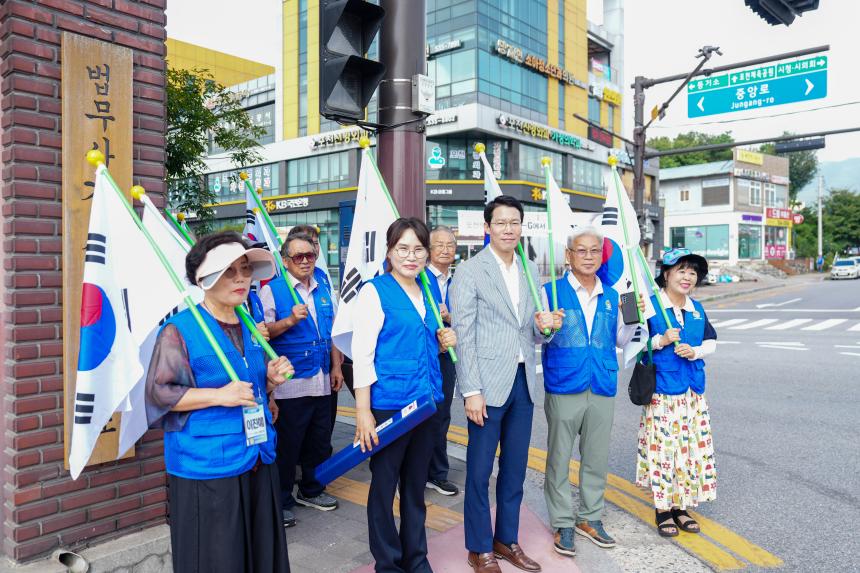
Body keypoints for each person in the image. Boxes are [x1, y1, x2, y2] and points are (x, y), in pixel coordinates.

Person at [144, 231, 295, 573]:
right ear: (205, 278)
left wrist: (269, 383)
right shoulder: (179, 330)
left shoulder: (250, 325)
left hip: (258, 455)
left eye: (245, 269)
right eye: (230, 271)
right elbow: (158, 393)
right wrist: (219, 395)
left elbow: (252, 386)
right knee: (217, 559)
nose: (242, 278)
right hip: (208, 466)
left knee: (259, 554)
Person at [450, 196, 562, 573]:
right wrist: (471, 390)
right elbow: (463, 334)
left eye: (515, 222)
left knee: (514, 470)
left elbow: (532, 331)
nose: (508, 229)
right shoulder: (470, 271)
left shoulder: (530, 269)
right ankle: (479, 547)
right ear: (487, 227)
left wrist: (546, 327)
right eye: (501, 222)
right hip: (486, 385)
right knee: (480, 472)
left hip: (523, 383)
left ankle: (506, 539)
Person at [352, 217, 457, 573]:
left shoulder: (428, 289)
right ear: (390, 252)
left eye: (418, 249)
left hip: (426, 404)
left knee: (415, 488)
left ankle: (416, 558)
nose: (410, 257)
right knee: (383, 488)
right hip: (389, 407)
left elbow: (427, 343)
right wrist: (363, 413)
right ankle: (388, 563)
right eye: (403, 249)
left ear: (427, 254)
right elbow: (362, 354)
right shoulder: (374, 291)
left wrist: (446, 340)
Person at [540, 227, 644, 557]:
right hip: (563, 384)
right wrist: (545, 325)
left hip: (601, 384)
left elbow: (623, 340)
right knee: (558, 458)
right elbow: (537, 336)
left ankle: (590, 518)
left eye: (594, 251)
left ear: (602, 256)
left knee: (596, 458)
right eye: (581, 251)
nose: (588, 256)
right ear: (568, 256)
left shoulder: (617, 295)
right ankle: (562, 522)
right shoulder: (549, 292)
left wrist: (634, 317)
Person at [260, 233, 343, 526]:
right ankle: (281, 499)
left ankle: (312, 488)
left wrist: (337, 366)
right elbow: (262, 334)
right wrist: (290, 321)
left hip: (322, 377)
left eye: (310, 254)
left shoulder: (323, 286)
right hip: (290, 383)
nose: (306, 261)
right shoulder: (273, 290)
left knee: (319, 441)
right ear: (285, 261)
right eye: (298, 256)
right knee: (288, 444)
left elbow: (333, 330)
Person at [637, 248, 717, 538]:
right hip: (663, 392)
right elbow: (630, 343)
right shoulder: (648, 304)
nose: (688, 277)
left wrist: (695, 351)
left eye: (693, 272)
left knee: (691, 451)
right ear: (666, 273)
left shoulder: (697, 309)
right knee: (664, 453)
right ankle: (663, 509)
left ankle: (682, 507)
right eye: (681, 270)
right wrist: (660, 340)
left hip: (692, 393)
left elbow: (711, 342)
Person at [286, 225, 348, 432]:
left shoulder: (321, 276)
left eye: (314, 246)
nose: (309, 255)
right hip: (295, 377)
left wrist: (336, 363)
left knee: (322, 433)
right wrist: (289, 321)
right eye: (301, 253)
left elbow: (330, 321)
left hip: (326, 365)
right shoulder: (278, 284)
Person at [424, 225, 459, 497]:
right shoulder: (419, 277)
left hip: (447, 357)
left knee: (442, 414)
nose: (446, 249)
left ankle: (437, 473)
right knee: (420, 414)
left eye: (450, 244)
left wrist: (451, 318)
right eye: (439, 244)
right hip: (423, 356)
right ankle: (416, 471)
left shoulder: (457, 281)